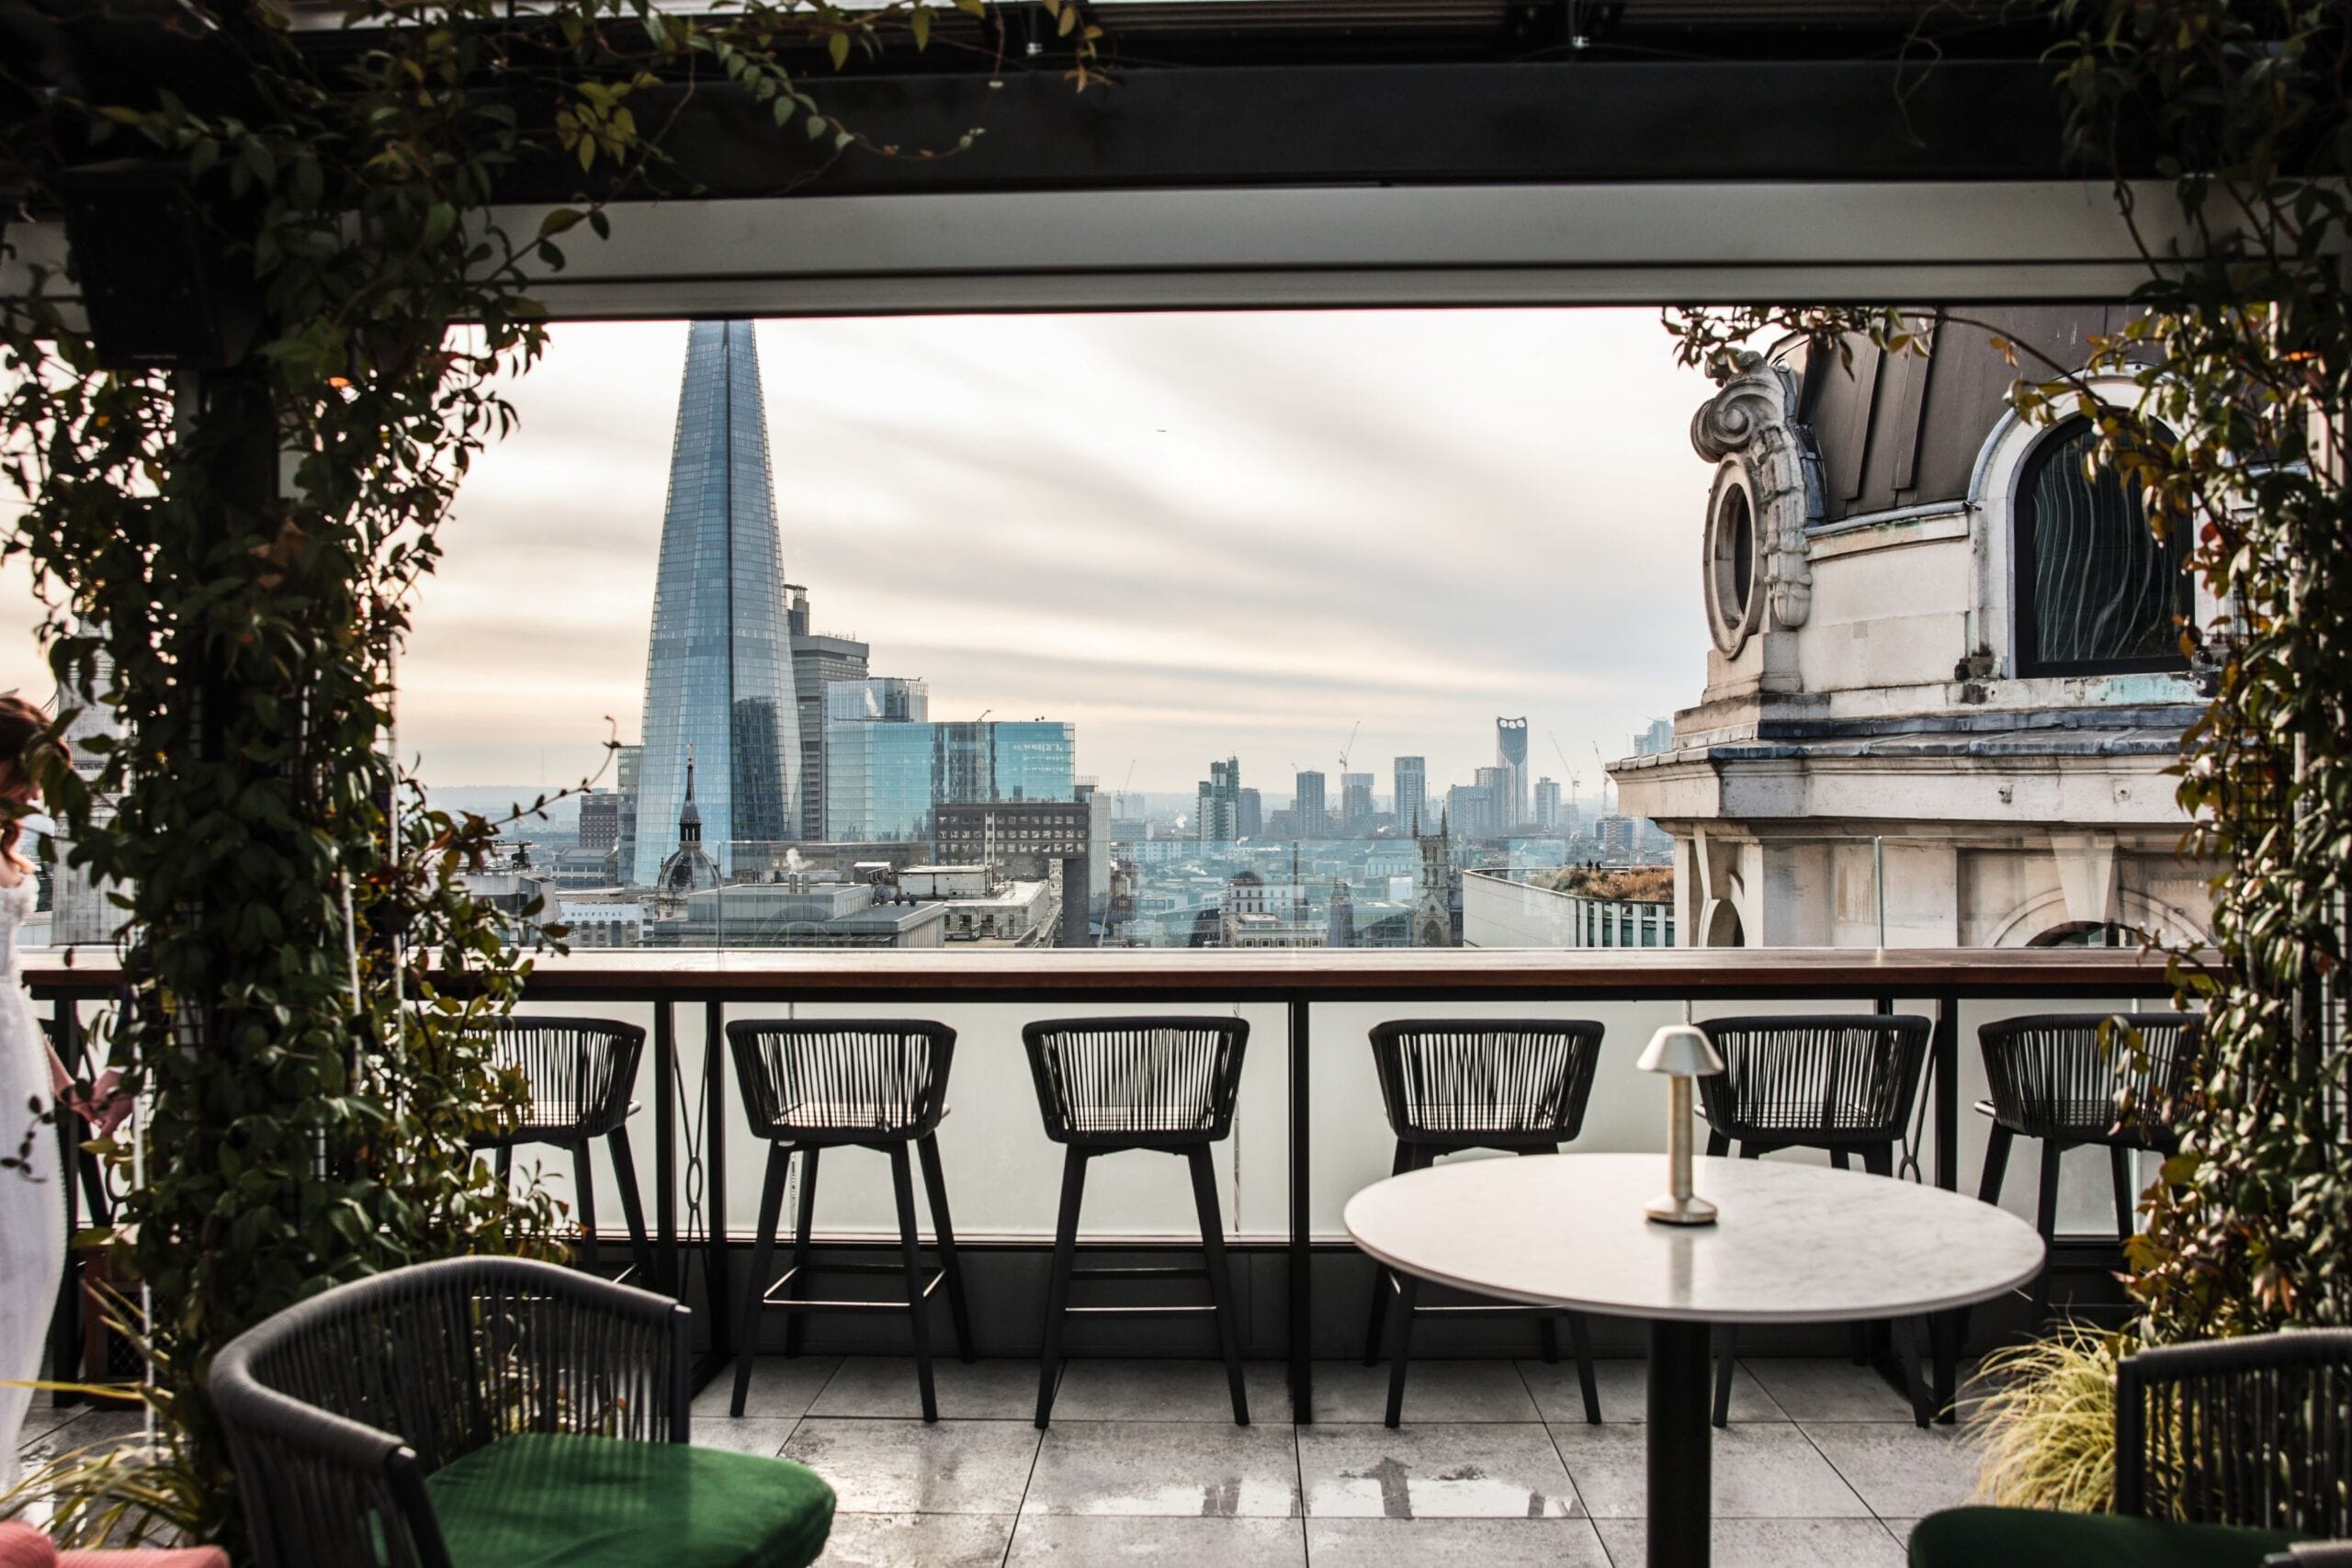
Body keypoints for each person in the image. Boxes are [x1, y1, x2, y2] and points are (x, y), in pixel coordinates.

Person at [0, 694, 125, 1491]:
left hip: (13, 1056)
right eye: (28, 774)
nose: (36, 792)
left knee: (34, 1251)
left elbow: (10, 980)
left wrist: (61, 1076)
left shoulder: (11, 848)